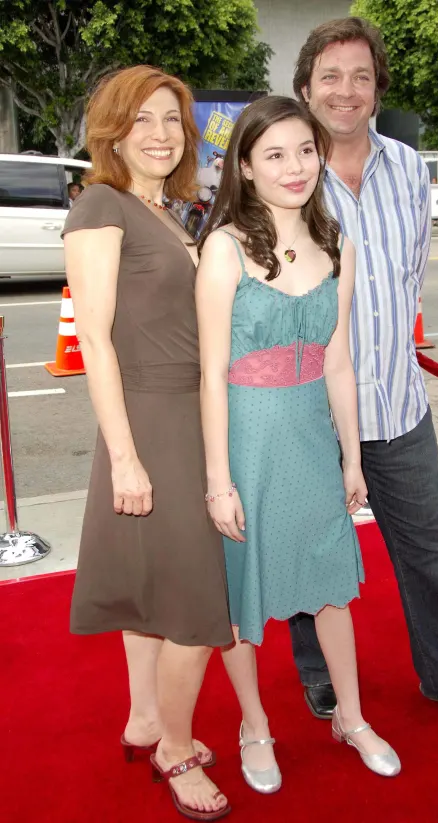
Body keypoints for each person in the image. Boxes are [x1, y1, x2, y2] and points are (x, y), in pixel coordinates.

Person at [288, 17, 438, 727]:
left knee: (432, 552)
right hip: (308, 414)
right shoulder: (285, 172)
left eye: (361, 76)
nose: (346, 90)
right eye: (331, 76)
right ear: (305, 87)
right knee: (312, 555)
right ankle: (318, 673)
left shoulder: (407, 168)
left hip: (398, 405)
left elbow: (410, 277)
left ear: (378, 88)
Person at [196, 95, 401, 793]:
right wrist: (218, 480)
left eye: (306, 151)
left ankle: (351, 715)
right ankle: (254, 724)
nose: (295, 167)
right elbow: (211, 376)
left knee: (332, 583)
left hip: (313, 435)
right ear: (246, 167)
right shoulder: (223, 248)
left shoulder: (337, 243)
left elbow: (338, 361)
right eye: (275, 154)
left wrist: (352, 456)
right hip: (247, 440)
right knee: (241, 592)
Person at [63, 65, 232, 821]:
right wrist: (126, 458)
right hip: (151, 419)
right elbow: (95, 340)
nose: (161, 134)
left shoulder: (162, 210)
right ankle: (175, 746)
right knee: (196, 599)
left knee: (152, 587)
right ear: (112, 130)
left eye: (172, 119)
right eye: (142, 119)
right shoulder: (102, 204)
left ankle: (143, 719)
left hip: (185, 413)